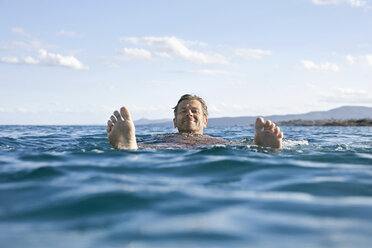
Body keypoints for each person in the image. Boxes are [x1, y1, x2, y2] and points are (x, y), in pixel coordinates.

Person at [106, 94, 283, 150]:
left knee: (238, 146)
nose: (189, 114)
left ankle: (262, 147)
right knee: (144, 146)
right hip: (169, 148)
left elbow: (236, 145)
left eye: (194, 111)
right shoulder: (162, 140)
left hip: (204, 147)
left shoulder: (218, 142)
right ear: (174, 122)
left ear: (205, 121)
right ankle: (129, 145)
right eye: (183, 111)